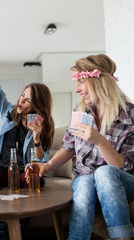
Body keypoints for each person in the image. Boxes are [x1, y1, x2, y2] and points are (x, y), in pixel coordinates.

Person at [25, 54, 134, 239]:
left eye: (81, 82)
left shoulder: (129, 115)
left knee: (104, 172)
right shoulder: (80, 110)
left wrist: (99, 141)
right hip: (86, 182)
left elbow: (123, 168)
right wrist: (48, 166)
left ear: (98, 81)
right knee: (84, 181)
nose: (76, 89)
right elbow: (69, 147)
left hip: (121, 184)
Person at [0, 35, 55, 191]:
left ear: (37, 106)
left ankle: (23, 216)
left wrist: (37, 139)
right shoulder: (8, 112)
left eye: (28, 100)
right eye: (23, 95)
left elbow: (44, 161)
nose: (21, 101)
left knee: (35, 179)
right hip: (1, 169)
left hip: (24, 171)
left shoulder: (42, 126)